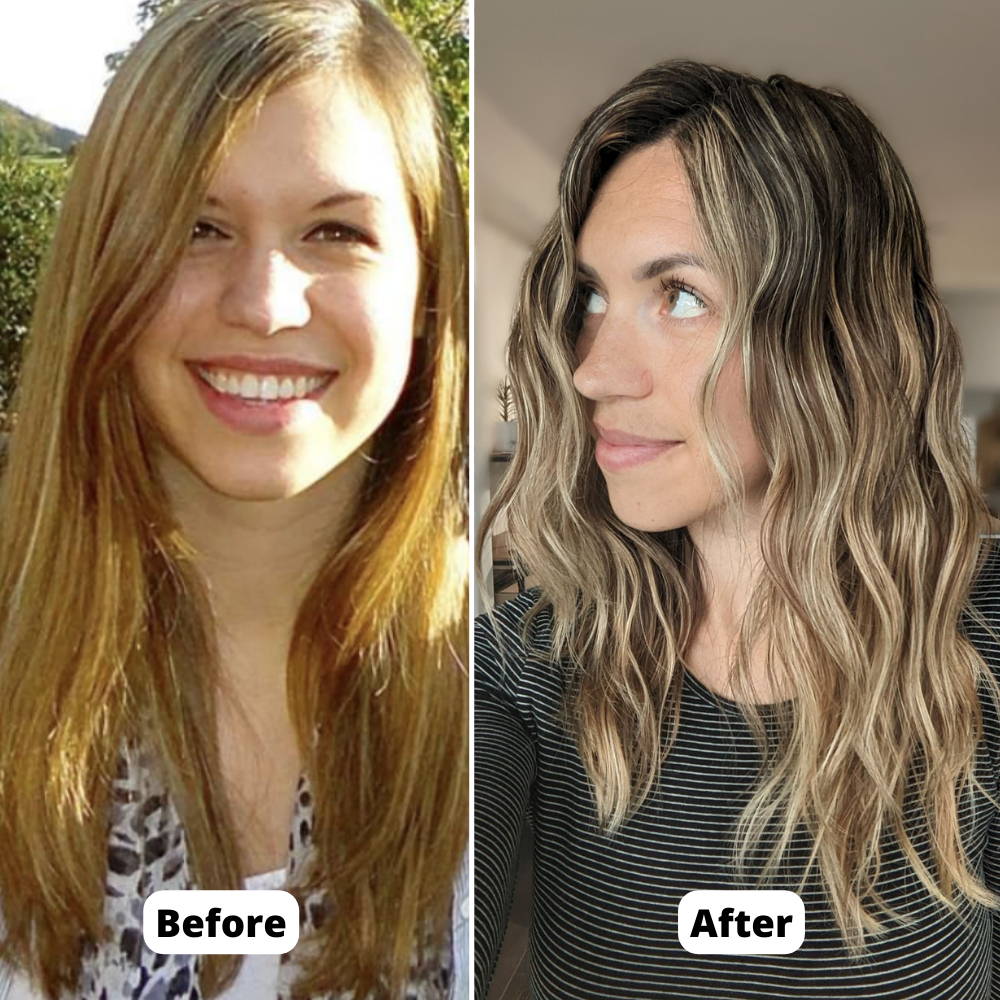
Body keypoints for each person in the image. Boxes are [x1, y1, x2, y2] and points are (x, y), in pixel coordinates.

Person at [475, 59, 1000, 999]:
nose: (594, 371)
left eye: (678, 295)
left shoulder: (984, 637)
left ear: (842, 338)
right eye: (594, 297)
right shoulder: (523, 665)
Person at [0, 1, 467, 998]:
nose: (262, 302)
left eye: (336, 231)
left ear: (429, 294)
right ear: (102, 269)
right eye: (196, 228)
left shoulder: (530, 703)